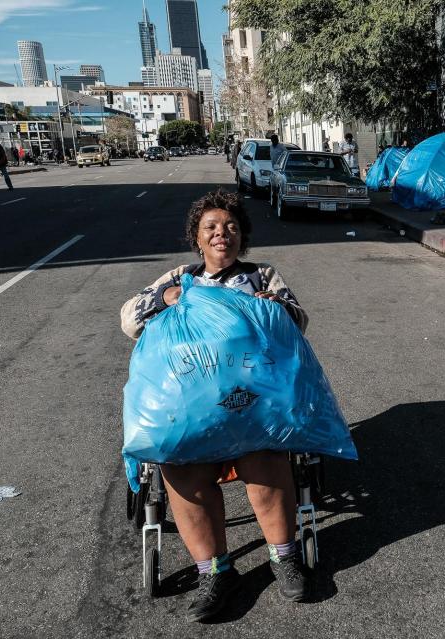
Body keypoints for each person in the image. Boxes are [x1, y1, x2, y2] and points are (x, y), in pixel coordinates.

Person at [120, 190, 311, 622]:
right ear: (197, 238)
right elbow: (130, 321)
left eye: (230, 227)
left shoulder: (262, 276)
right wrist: (163, 300)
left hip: (252, 405)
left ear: (242, 237)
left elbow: (300, 322)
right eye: (211, 228)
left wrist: (276, 310)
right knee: (180, 467)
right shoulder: (179, 278)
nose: (221, 234)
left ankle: (283, 558)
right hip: (193, 409)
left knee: (264, 458)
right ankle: (215, 573)